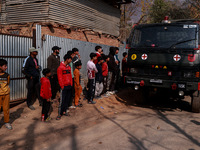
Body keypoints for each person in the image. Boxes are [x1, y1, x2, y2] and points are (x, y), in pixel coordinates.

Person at [56, 54, 73, 120]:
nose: (71, 60)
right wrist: (62, 86)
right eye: (70, 59)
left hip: (69, 86)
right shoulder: (60, 68)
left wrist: (71, 84)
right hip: (64, 87)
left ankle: (64, 111)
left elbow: (70, 76)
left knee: (67, 100)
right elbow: (59, 78)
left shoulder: (68, 67)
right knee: (62, 100)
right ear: (67, 59)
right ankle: (59, 114)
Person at [0, 59, 12, 130]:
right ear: (0, 66)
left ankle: (6, 122)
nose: (6, 67)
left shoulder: (7, 75)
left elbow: (8, 83)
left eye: (6, 66)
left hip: (6, 94)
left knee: (6, 108)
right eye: (5, 66)